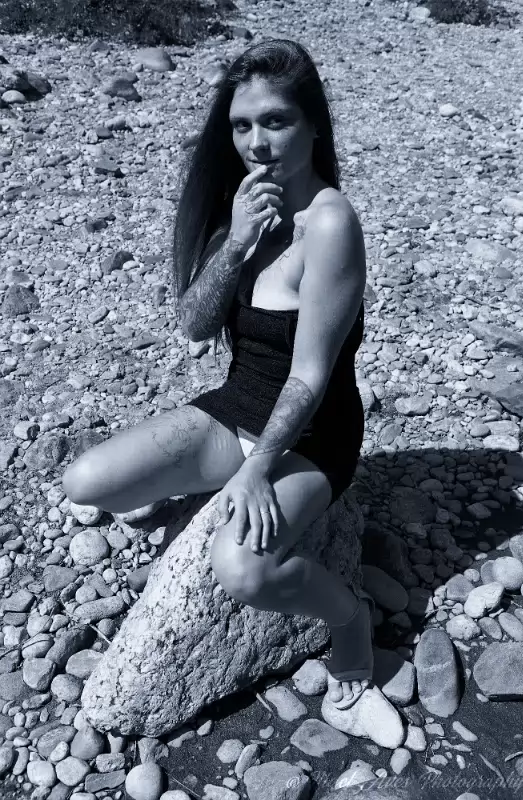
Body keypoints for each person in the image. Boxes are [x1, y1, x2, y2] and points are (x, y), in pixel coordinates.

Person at [62, 38, 376, 712]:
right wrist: (235, 244)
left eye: (276, 121)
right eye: (241, 125)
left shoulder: (330, 224)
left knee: (243, 571)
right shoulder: (250, 205)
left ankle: (351, 620)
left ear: (314, 126)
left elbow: (311, 372)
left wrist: (257, 469)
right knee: (86, 482)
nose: (256, 143)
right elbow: (195, 326)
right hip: (238, 406)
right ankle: (203, 484)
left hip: (312, 435)